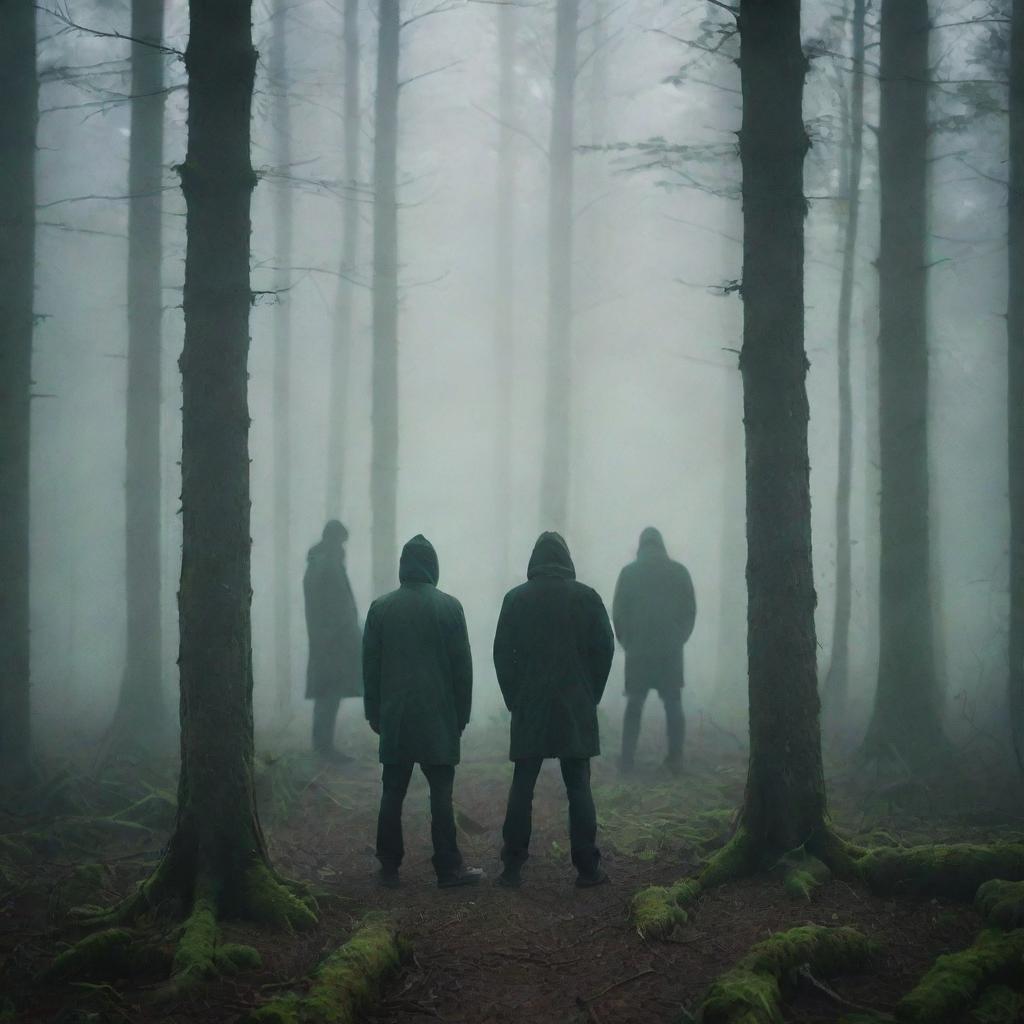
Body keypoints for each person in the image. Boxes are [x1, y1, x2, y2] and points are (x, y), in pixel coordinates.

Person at [493, 532, 614, 888]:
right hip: (574, 703)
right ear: (567, 560)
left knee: (523, 783)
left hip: (531, 703)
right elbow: (604, 649)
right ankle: (587, 868)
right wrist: (590, 693)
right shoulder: (587, 598)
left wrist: (514, 697)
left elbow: (502, 655)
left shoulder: (515, 600)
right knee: (578, 784)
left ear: (535, 560)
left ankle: (512, 866)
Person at [362, 534, 482, 889]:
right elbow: (463, 668)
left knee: (392, 791)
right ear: (433, 567)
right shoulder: (449, 607)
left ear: (403, 567)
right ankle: (448, 868)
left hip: (395, 716)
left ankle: (388, 868)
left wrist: (374, 713)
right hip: (439, 717)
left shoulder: (380, 608)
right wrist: (461, 714)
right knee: (441, 794)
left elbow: (371, 668)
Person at [613, 526, 697, 776]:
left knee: (634, 705)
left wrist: (628, 641)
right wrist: (679, 638)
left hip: (638, 651)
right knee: (673, 704)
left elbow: (618, 613)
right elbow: (690, 611)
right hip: (670, 651)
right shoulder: (679, 572)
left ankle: (627, 762)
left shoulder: (628, 573)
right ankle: (675, 760)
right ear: (661, 545)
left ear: (641, 546)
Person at [303, 520, 363, 764]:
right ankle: (323, 748)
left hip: (331, 640)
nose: (344, 547)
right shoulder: (325, 563)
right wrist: (342, 631)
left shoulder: (325, 562)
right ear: (334, 539)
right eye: (341, 541)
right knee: (328, 692)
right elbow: (331, 605)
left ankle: (324, 747)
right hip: (331, 642)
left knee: (329, 693)